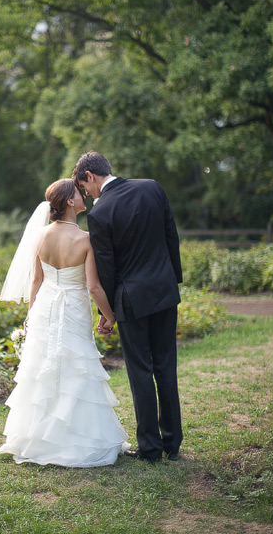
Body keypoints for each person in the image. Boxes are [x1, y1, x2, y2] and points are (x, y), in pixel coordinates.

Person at [0, 178, 130, 467]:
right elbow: (93, 288)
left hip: (45, 307)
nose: (83, 195)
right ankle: (77, 439)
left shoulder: (41, 236)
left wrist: (31, 315)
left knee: (43, 368)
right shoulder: (85, 239)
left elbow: (36, 280)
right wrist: (110, 316)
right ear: (70, 202)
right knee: (75, 365)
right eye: (78, 193)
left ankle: (37, 438)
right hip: (73, 308)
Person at [73, 151, 183, 463]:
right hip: (164, 291)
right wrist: (172, 279)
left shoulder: (100, 213)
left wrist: (105, 315)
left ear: (90, 176)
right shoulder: (152, 187)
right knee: (166, 367)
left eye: (85, 187)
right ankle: (172, 444)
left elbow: (106, 270)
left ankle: (150, 448)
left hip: (131, 300)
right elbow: (170, 235)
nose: (87, 194)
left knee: (140, 371)